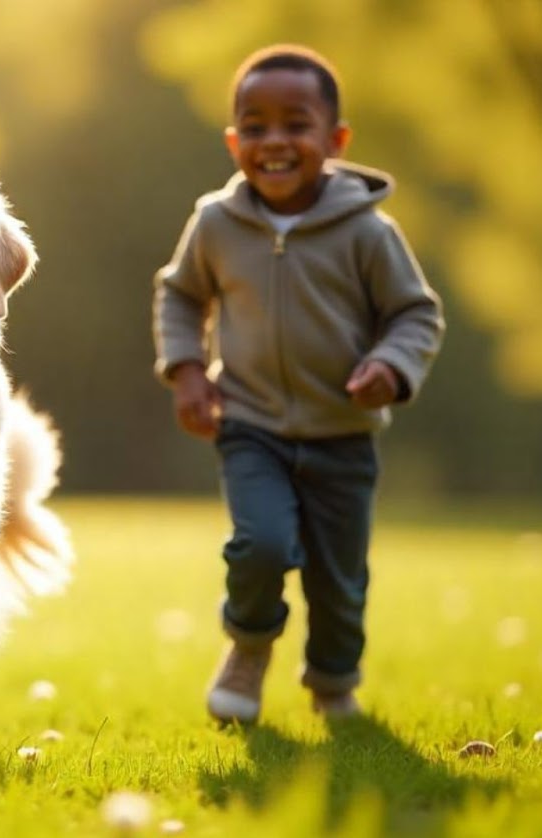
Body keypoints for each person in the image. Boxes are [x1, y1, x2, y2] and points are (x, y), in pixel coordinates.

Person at [152, 44, 443, 723]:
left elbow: (414, 312)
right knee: (260, 544)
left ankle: (333, 683)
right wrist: (189, 371)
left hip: (342, 434)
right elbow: (180, 295)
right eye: (254, 126)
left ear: (335, 139)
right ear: (233, 141)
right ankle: (249, 650)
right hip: (250, 425)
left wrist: (392, 367)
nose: (274, 141)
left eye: (295, 124)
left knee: (339, 580)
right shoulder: (218, 223)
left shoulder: (368, 232)